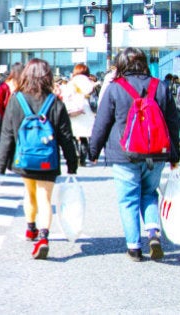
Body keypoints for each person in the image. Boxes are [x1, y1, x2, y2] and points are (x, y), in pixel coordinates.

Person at [89, 47, 180, 262]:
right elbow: (173, 122)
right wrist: (175, 155)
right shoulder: (161, 86)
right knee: (149, 193)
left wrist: (93, 151)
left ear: (121, 65)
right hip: (156, 153)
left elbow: (101, 123)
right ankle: (152, 233)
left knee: (128, 199)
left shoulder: (114, 89)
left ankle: (134, 247)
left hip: (125, 154)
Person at [0, 58, 78, 260]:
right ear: (47, 77)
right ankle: (43, 237)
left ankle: (30, 228)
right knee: (45, 198)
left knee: (29, 192)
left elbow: (7, 133)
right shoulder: (55, 101)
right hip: (47, 160)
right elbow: (66, 136)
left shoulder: (17, 100)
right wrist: (72, 163)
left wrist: (0, 163)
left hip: (25, 158)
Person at [60, 63, 96, 167]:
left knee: (74, 135)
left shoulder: (71, 83)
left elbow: (65, 96)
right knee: (84, 136)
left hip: (73, 110)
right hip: (86, 110)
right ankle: (83, 159)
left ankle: (76, 155)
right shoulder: (90, 82)